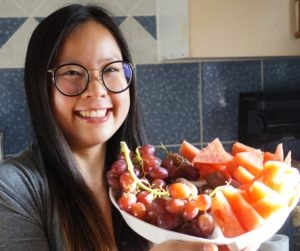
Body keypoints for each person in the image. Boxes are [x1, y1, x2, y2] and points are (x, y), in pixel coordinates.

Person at [0, 4, 258, 251]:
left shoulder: (152, 181)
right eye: (71, 73)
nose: (97, 91)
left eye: (111, 69)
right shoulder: (12, 189)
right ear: (39, 86)